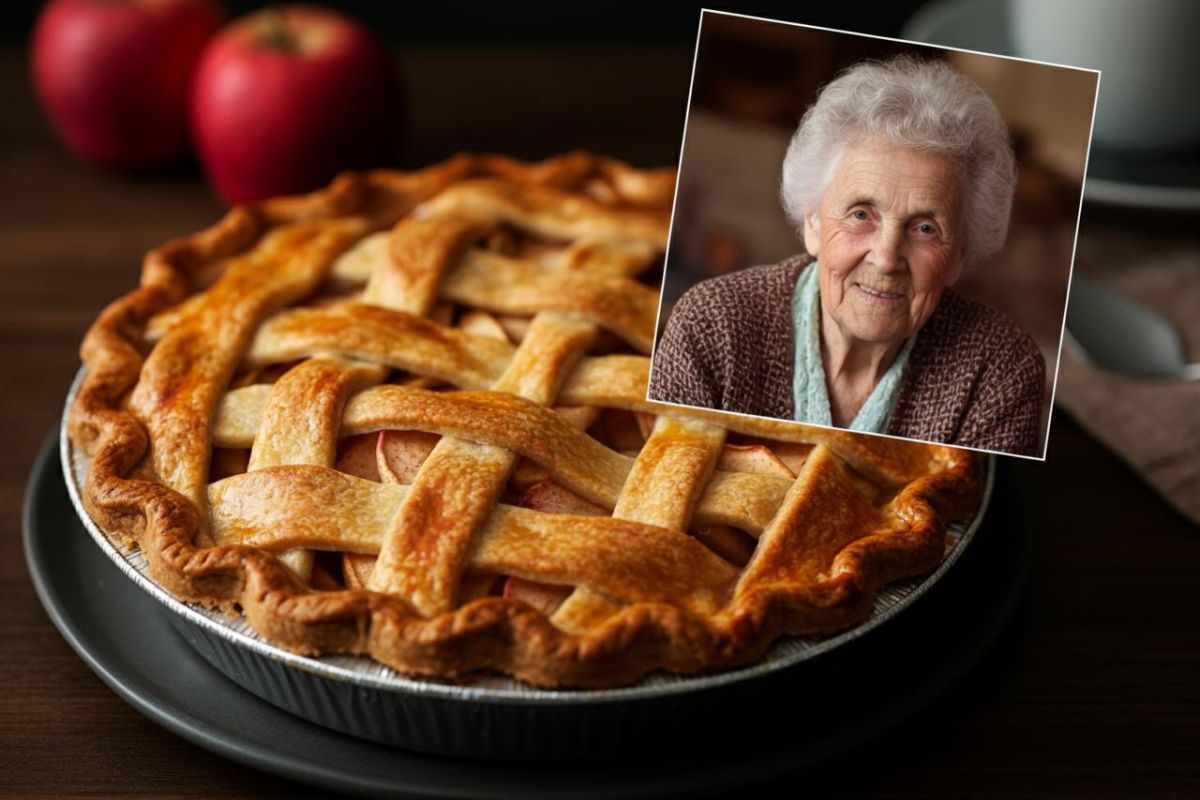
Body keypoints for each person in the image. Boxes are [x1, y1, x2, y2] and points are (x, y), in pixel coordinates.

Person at [649, 56, 1046, 456]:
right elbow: (662, 484)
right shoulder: (712, 324)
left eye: (925, 228)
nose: (886, 258)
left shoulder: (998, 370)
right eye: (860, 215)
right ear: (813, 223)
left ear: (959, 255)